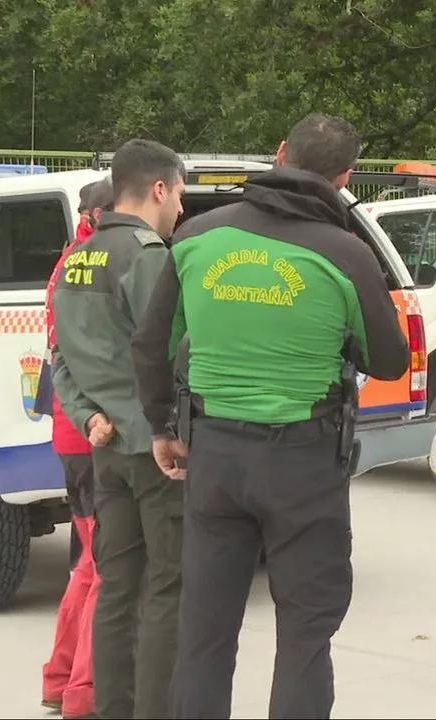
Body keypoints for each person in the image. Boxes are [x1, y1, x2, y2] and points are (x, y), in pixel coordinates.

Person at [130, 113, 410, 719]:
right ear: (346, 178)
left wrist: (162, 428)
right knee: (305, 637)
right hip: (305, 465)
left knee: (204, 636)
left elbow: (151, 346)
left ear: (280, 153)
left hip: (214, 459)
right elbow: (389, 361)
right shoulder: (346, 253)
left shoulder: (197, 237)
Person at [50, 139, 186, 719]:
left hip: (106, 446)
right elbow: (173, 350)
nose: (182, 207)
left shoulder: (77, 257)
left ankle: (114, 709)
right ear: (159, 189)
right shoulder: (146, 253)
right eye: (180, 193)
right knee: (167, 587)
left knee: (117, 587)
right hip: (156, 448)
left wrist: (88, 417)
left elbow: (59, 357)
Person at [41, 178, 114, 720]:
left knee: (88, 564)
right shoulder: (97, 264)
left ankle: (60, 678)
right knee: (105, 568)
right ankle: (82, 694)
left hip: (72, 433)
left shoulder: (70, 263)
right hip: (95, 435)